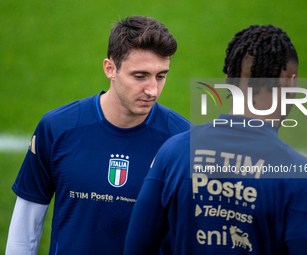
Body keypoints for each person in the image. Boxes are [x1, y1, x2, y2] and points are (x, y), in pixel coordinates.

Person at [124, 25, 307, 254]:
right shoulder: (304, 178)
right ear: (291, 84)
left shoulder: (173, 152)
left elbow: (137, 248)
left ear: (228, 78)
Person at [5, 15, 190, 255]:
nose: (152, 90)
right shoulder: (58, 128)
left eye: (161, 76)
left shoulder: (184, 140)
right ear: (110, 69)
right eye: (140, 76)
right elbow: (25, 229)